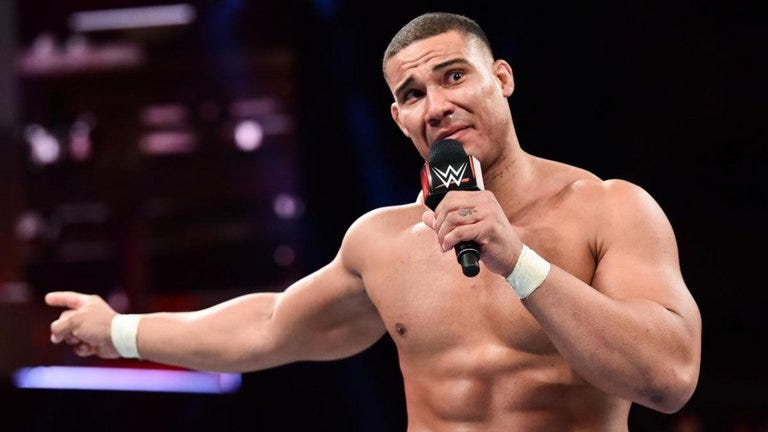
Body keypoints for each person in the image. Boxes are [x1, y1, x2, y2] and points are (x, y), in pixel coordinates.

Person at [45, 12, 702, 431]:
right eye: (413, 94)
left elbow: (668, 380)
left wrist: (517, 261)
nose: (436, 105)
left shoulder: (609, 209)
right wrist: (117, 331)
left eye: (454, 77)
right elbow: (268, 326)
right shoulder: (382, 242)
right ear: (398, 118)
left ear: (501, 79)